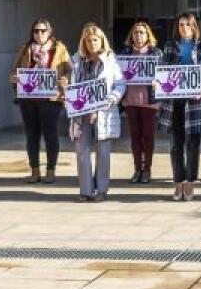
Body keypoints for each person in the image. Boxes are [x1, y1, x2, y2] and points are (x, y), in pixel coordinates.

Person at [157, 12, 201, 202]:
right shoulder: (170, 46)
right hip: (174, 102)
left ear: (194, 26)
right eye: (180, 25)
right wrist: (158, 82)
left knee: (192, 143)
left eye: (187, 24)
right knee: (175, 144)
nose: (184, 28)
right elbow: (163, 69)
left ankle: (190, 181)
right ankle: (178, 181)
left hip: (194, 102)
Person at [7, 18, 70, 184]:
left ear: (49, 32)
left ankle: (51, 170)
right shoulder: (26, 48)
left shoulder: (59, 49)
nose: (39, 34)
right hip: (28, 99)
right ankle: (34, 171)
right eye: (36, 31)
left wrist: (65, 79)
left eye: (43, 31)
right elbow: (13, 71)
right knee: (31, 135)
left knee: (50, 134)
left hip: (51, 99)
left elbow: (70, 71)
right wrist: (13, 78)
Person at [69, 23, 126, 202]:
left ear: (102, 40)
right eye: (88, 40)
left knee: (103, 152)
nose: (92, 43)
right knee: (82, 151)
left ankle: (101, 190)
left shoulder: (111, 59)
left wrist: (110, 100)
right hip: (81, 113)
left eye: (95, 39)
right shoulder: (76, 60)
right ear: (83, 42)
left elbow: (120, 83)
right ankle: (85, 191)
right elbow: (70, 86)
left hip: (104, 112)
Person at [120, 21, 162, 184]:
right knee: (135, 136)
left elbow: (163, 74)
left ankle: (147, 169)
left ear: (148, 35)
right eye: (136, 32)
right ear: (131, 35)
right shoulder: (125, 53)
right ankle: (137, 168)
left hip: (149, 101)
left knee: (148, 136)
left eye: (142, 33)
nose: (139, 36)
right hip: (130, 100)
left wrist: (157, 82)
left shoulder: (156, 53)